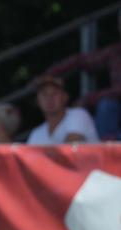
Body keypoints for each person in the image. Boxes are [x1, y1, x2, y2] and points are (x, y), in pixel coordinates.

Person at [48, 11, 121, 140]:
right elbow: (81, 60)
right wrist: (50, 74)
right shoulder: (115, 51)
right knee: (106, 106)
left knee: (105, 105)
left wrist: (88, 99)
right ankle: (109, 153)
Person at [26, 75, 99, 144]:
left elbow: (69, 149)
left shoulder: (79, 115)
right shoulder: (36, 134)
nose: (49, 98)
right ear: (38, 101)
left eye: (54, 93)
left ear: (65, 97)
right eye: (44, 94)